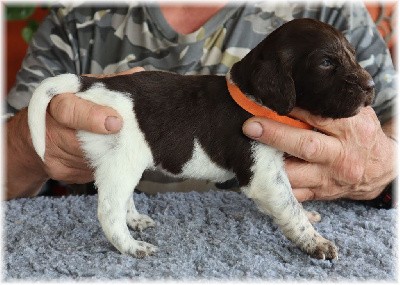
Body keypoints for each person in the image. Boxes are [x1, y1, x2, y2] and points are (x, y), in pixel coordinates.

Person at [6, 2, 396, 208]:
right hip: (108, 235)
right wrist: (25, 145)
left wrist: (379, 165)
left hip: (271, 237)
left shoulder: (333, 10)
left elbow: (392, 120)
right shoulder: (77, 16)